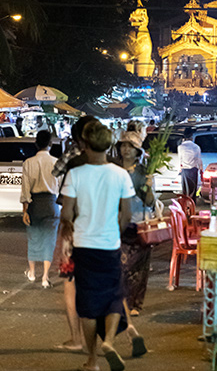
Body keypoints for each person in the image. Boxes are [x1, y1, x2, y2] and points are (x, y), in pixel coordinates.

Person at [60, 120, 135, 371]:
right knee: (114, 295)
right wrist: (115, 232)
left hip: (84, 245)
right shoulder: (121, 174)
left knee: (88, 305)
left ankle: (92, 360)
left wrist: (68, 227)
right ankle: (110, 341)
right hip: (109, 244)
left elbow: (66, 213)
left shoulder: (75, 174)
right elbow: (126, 215)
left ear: (86, 145)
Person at [53, 115, 99, 352]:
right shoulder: (111, 164)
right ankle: (104, 340)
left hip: (76, 231)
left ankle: (77, 339)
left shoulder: (74, 162)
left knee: (71, 285)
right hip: (102, 234)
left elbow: (66, 204)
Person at [114, 130, 155, 317]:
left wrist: (148, 187)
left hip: (138, 223)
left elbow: (150, 202)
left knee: (138, 267)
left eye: (130, 146)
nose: (126, 149)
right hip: (116, 222)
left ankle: (135, 304)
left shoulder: (143, 172)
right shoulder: (113, 170)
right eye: (123, 145)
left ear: (137, 151)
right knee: (120, 265)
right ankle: (120, 302)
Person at [20, 130, 60, 288]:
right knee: (49, 241)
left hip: (34, 205)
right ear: (50, 144)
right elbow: (61, 187)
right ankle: (45, 277)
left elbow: (25, 190)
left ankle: (32, 272)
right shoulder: (56, 163)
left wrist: (25, 210)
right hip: (51, 204)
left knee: (33, 239)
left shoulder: (28, 163)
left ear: (36, 144)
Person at [178, 127, 203, 198]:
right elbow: (198, 159)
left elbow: (180, 159)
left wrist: (179, 169)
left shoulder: (180, 147)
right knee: (193, 189)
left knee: (185, 189)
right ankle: (192, 202)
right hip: (193, 170)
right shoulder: (196, 147)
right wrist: (201, 169)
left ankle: (186, 202)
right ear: (192, 136)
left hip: (184, 169)